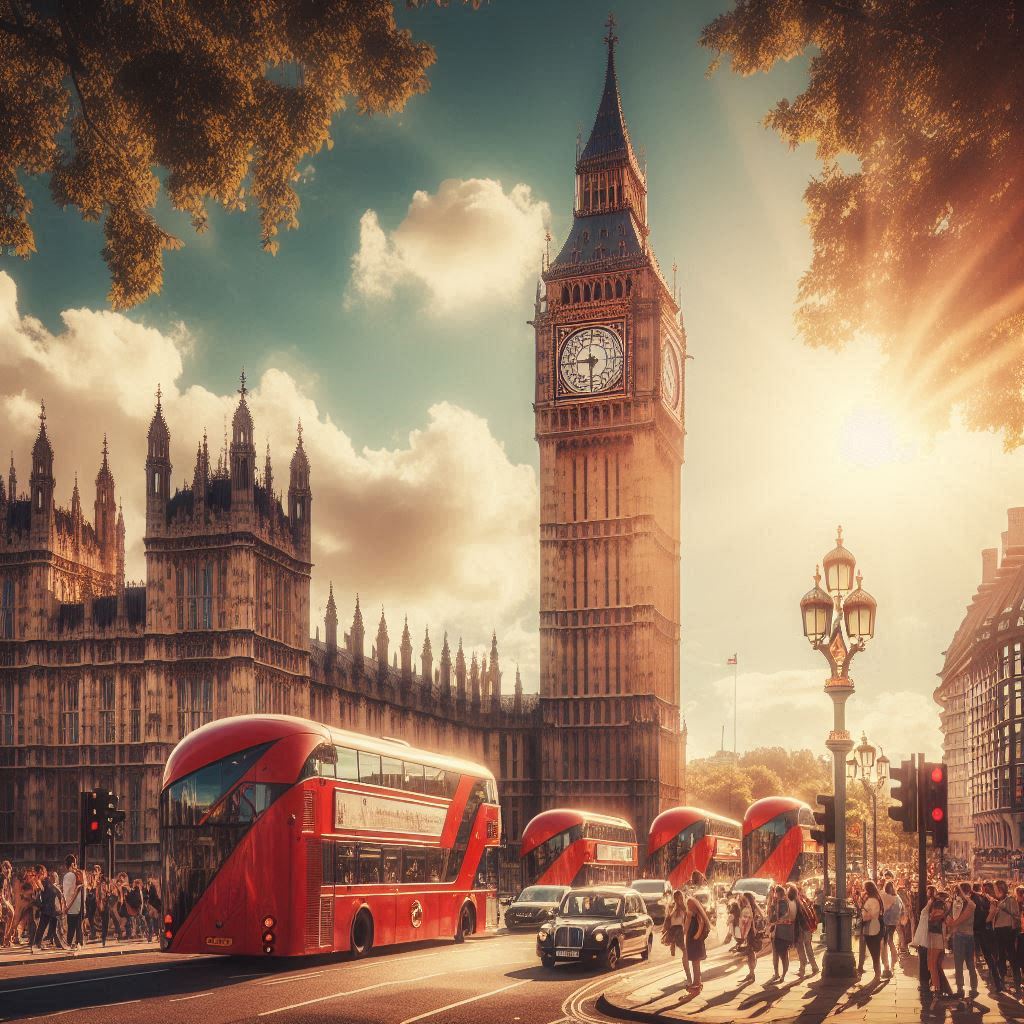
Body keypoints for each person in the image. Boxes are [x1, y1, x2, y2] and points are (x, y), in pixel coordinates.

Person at [990, 879, 1022, 995]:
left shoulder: (1010, 900)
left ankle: (1017, 984)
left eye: (995, 888)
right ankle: (1001, 982)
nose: (994, 890)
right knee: (1000, 958)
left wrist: (1002, 908)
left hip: (1008, 930)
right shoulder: (996, 901)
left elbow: (1016, 915)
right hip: (998, 931)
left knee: (1012, 958)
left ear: (1001, 889)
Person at [947, 880, 978, 999]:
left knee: (961, 963)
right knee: (968, 963)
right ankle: (971, 988)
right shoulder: (960, 904)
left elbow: (954, 921)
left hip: (961, 936)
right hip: (966, 936)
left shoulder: (970, 904)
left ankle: (962, 988)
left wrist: (953, 924)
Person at [32, 870, 68, 952]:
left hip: (53, 911)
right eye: (53, 876)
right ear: (50, 877)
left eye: (56, 876)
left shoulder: (54, 887)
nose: (54, 878)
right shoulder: (48, 885)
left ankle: (57, 943)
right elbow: (39, 893)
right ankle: (37, 943)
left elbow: (61, 898)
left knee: (54, 928)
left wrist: (62, 909)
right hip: (47, 910)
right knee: (42, 927)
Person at [662, 889, 691, 984]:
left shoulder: (683, 908)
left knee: (685, 953)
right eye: (676, 897)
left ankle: (688, 975)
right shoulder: (671, 907)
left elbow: (686, 921)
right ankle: (689, 976)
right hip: (674, 932)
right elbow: (668, 920)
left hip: (680, 932)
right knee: (685, 953)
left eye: (679, 897)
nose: (678, 899)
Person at [684, 894, 712, 995]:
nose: (688, 905)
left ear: (694, 905)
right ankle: (697, 983)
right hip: (692, 942)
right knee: (694, 963)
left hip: (695, 942)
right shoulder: (691, 915)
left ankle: (697, 983)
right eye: (687, 903)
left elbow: (701, 926)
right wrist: (688, 917)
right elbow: (685, 929)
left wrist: (696, 937)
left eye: (689, 904)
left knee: (696, 963)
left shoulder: (698, 915)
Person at [768, 884, 795, 984]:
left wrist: (773, 908)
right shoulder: (787, 902)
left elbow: (775, 918)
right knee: (783, 955)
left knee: (779, 955)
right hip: (785, 932)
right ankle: (781, 975)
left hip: (780, 932)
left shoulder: (780, 903)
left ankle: (778, 974)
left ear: (777, 893)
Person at [791, 883, 819, 977]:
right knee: (808, 947)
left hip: (801, 929)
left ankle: (803, 969)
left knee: (801, 948)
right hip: (807, 928)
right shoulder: (802, 900)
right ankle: (813, 967)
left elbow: (794, 917)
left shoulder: (795, 902)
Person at [859, 880, 883, 982]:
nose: (863, 890)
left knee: (874, 952)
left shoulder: (872, 900)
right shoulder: (874, 898)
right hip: (873, 926)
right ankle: (878, 973)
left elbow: (873, 915)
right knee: (874, 951)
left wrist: (863, 916)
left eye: (864, 888)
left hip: (872, 927)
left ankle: (877, 974)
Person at [738, 890, 763, 983]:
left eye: (744, 898)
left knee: (750, 953)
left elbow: (747, 923)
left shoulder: (748, 908)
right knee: (751, 953)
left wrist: (744, 935)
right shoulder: (753, 906)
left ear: (747, 899)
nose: (742, 900)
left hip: (750, 933)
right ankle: (751, 973)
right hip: (752, 932)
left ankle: (752, 974)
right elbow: (762, 916)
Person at [61, 854, 85, 950]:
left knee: (71, 926)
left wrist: (66, 905)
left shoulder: (68, 876)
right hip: (78, 904)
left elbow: (67, 892)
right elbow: (78, 890)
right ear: (72, 864)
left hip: (71, 904)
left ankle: (70, 943)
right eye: (75, 863)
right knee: (77, 925)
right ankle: (79, 943)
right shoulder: (77, 874)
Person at [880, 880, 902, 977]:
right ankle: (894, 958)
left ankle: (887, 965)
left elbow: (881, 908)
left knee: (885, 942)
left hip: (885, 921)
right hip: (894, 922)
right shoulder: (897, 897)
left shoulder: (885, 896)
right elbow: (902, 908)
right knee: (890, 940)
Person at [0, 860, 13, 947]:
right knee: (5, 920)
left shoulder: (7, 878)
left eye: (9, 868)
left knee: (7, 919)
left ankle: (5, 940)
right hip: (2, 901)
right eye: (6, 868)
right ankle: (3, 940)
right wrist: (4, 902)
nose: (8, 870)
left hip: (5, 901)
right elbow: (1, 892)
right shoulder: (2, 877)